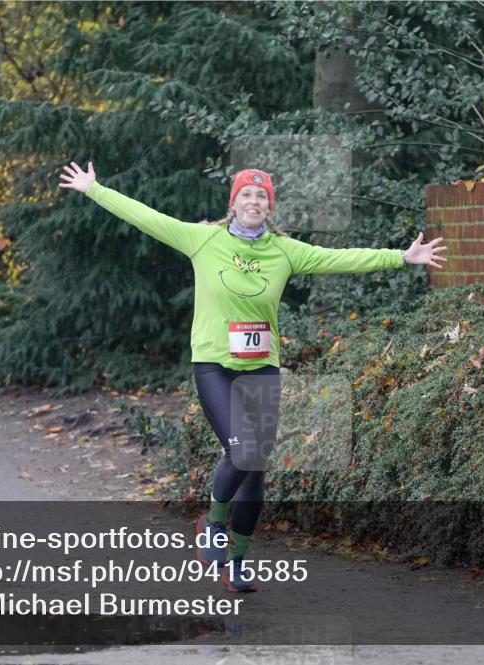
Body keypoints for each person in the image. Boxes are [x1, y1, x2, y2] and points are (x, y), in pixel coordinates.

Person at [59, 161, 446, 592]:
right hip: (214, 366)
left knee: (256, 472)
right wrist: (95, 189)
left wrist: (401, 257)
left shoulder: (284, 250)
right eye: (247, 194)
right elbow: (149, 218)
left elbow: (339, 259)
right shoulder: (204, 239)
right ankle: (213, 524)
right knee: (241, 451)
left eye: (262, 196)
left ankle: (236, 562)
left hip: (261, 369)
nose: (254, 201)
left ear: (269, 207)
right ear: (234, 202)